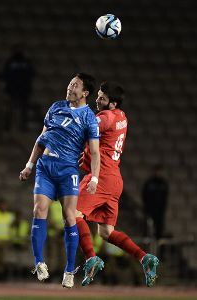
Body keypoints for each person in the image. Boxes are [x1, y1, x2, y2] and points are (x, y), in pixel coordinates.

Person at [19, 73, 100, 288]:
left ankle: (69, 270)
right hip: (45, 166)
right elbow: (41, 138)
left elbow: (94, 150)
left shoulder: (89, 117)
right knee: (39, 210)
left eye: (75, 85)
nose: (70, 87)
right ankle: (39, 263)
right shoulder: (55, 107)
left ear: (85, 93)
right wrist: (29, 165)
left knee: (69, 217)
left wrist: (95, 177)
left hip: (67, 170)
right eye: (70, 83)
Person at [75, 82, 159, 287]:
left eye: (102, 98)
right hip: (115, 180)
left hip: (100, 176)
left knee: (73, 213)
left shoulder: (106, 116)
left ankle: (90, 258)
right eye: (98, 96)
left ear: (112, 104)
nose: (97, 100)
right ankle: (144, 257)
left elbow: (90, 128)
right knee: (106, 232)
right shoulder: (122, 116)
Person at [2, 44, 35, 131]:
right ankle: (7, 126)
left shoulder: (26, 62)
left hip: (24, 89)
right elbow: (5, 75)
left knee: (23, 110)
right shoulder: (10, 62)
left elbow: (32, 74)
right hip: (12, 90)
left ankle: (23, 126)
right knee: (10, 108)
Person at [142, 164, 169, 239]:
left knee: (159, 229)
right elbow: (144, 196)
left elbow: (165, 197)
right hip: (150, 210)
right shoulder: (149, 183)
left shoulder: (163, 184)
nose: (158, 173)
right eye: (157, 171)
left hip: (160, 211)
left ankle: (158, 245)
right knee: (147, 229)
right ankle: (146, 245)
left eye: (159, 171)